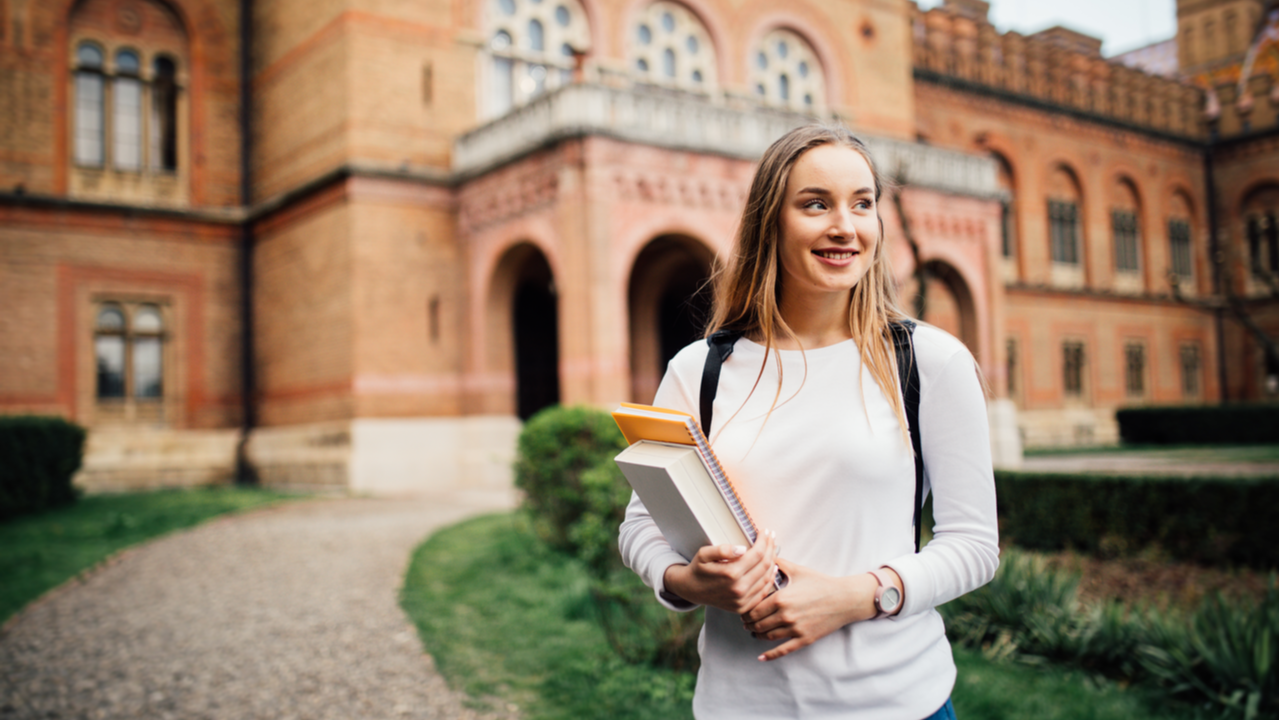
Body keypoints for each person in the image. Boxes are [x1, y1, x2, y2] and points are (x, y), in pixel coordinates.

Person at [618, 124, 1000, 720]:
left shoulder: (929, 361)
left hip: (898, 704)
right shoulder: (699, 371)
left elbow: (975, 545)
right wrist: (689, 582)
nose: (845, 226)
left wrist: (856, 596)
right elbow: (641, 524)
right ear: (770, 222)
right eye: (816, 204)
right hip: (739, 707)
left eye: (863, 204)